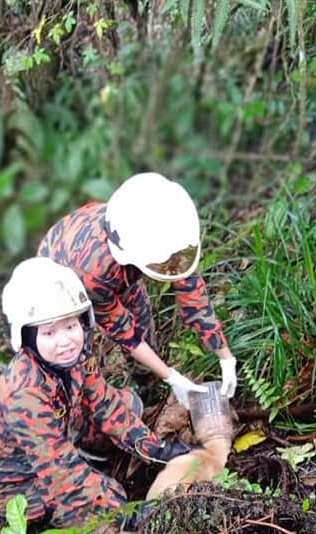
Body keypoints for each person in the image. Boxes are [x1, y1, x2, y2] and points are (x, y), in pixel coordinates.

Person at [0, 257, 192, 528]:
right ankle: (100, 489)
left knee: (129, 404)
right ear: (27, 337)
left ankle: (100, 464)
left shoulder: (77, 356)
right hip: (14, 480)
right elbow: (61, 471)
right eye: (49, 333)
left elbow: (105, 404)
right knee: (94, 506)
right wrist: (125, 511)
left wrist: (159, 449)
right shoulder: (24, 395)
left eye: (71, 326)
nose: (65, 342)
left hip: (60, 430)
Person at [36, 171, 237, 408]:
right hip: (65, 279)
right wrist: (171, 376)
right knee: (74, 348)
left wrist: (225, 356)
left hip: (118, 260)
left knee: (142, 319)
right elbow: (126, 334)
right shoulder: (95, 273)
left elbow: (192, 293)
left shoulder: (162, 225)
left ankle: (147, 386)